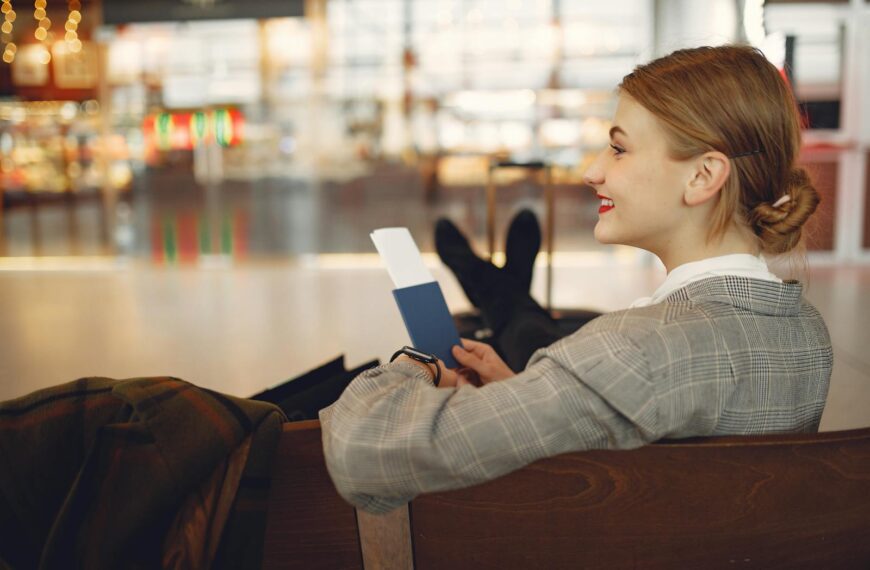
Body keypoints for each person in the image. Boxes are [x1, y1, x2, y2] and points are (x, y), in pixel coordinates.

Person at [319, 45, 833, 515]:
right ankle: (502, 284)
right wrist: (528, 395)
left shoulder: (631, 351)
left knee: (516, 319)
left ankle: (494, 282)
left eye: (619, 149)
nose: (592, 171)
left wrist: (417, 368)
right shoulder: (808, 335)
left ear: (703, 176)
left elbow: (362, 453)